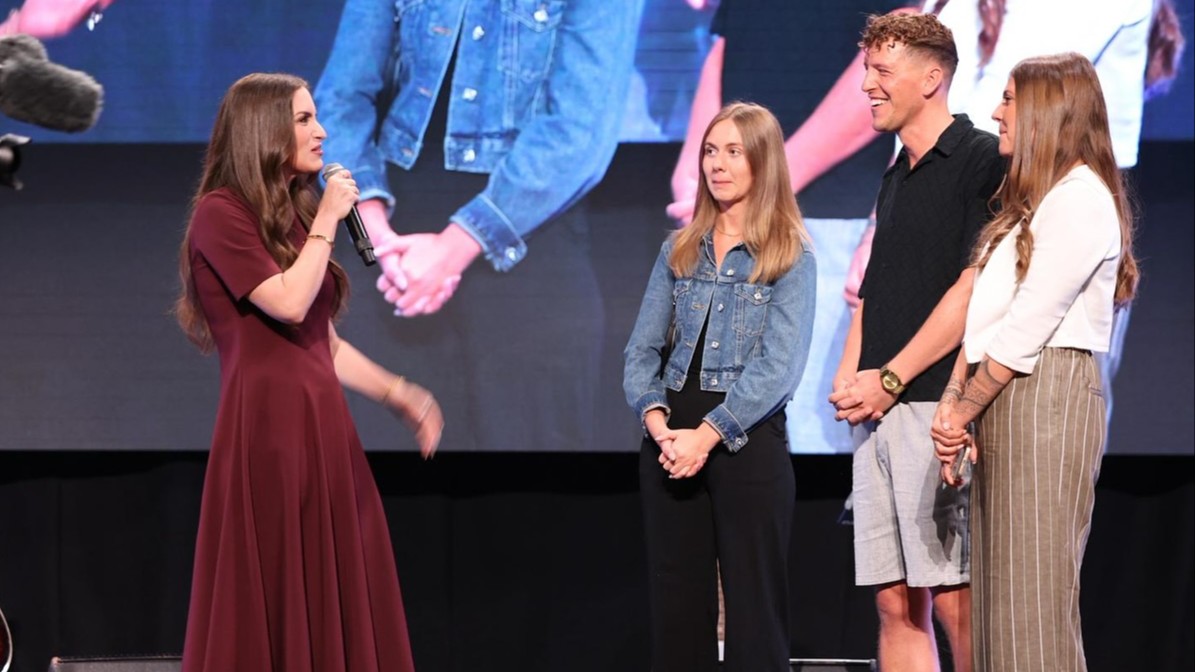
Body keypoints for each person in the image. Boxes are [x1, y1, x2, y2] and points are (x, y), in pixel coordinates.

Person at [174, 72, 443, 672]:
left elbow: (322, 340)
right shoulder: (221, 214)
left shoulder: (293, 217)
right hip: (268, 432)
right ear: (263, 130)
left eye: (317, 117)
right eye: (303, 119)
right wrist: (327, 219)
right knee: (276, 587)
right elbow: (289, 303)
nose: (321, 131)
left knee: (336, 588)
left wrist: (400, 394)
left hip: (322, 429)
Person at [313, 0, 645, 453]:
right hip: (391, 249)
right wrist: (370, 224)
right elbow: (340, 97)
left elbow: (580, 129)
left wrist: (457, 245)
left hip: (526, 243)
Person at [933, 52, 1137, 672]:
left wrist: (961, 412)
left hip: (1046, 394)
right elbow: (985, 321)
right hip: (1010, 394)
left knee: (1031, 608)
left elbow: (1027, 325)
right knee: (999, 609)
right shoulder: (1034, 205)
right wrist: (954, 403)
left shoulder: (1081, 199)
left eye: (1008, 100)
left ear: (1047, 112)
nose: (996, 113)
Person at [827, 13, 1006, 672]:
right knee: (895, 604)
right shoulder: (895, 172)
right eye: (867, 70)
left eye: (882, 71)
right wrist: (851, 374)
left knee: (956, 601)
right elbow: (873, 287)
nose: (867, 85)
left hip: (935, 407)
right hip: (880, 410)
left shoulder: (980, 159)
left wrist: (891, 378)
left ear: (931, 78)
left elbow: (973, 286)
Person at [665, 0, 916, 454]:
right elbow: (729, 40)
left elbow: (895, 58)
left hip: (826, 222)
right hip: (737, 222)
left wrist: (768, 182)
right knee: (728, 435)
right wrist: (701, 169)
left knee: (816, 437)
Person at [623, 101, 817, 672]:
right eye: (710, 150)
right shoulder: (679, 249)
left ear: (763, 162)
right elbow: (641, 351)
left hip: (744, 442)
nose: (717, 163)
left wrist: (705, 437)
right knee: (677, 607)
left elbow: (779, 367)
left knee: (755, 610)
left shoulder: (790, 254)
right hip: (669, 445)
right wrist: (660, 428)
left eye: (734, 151)